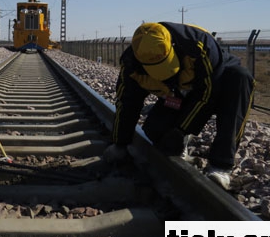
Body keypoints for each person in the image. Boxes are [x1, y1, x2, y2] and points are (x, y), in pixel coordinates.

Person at [103, 22, 255, 190]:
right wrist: (119, 143)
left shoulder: (199, 45)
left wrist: (181, 129)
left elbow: (206, 97)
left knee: (240, 77)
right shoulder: (131, 64)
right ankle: (182, 143)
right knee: (155, 131)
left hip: (216, 88)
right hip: (178, 94)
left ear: (172, 46)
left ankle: (221, 166)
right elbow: (127, 102)